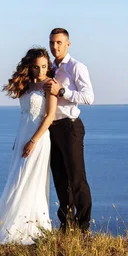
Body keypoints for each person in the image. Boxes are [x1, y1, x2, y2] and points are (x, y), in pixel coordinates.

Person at [0, 48, 58, 244]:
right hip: (22, 135)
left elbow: (49, 116)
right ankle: (9, 221)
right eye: (36, 67)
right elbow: (24, 115)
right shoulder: (27, 86)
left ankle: (28, 225)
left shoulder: (50, 85)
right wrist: (19, 140)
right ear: (29, 67)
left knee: (29, 179)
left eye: (44, 66)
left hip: (38, 138)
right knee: (16, 178)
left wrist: (33, 141)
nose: (41, 71)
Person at [43, 28, 94, 232]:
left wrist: (62, 91)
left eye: (59, 43)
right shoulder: (51, 68)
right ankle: (66, 225)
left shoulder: (76, 67)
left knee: (77, 178)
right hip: (52, 129)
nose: (55, 47)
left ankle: (83, 228)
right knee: (60, 179)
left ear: (68, 44)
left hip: (70, 126)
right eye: (52, 43)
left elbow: (89, 97)